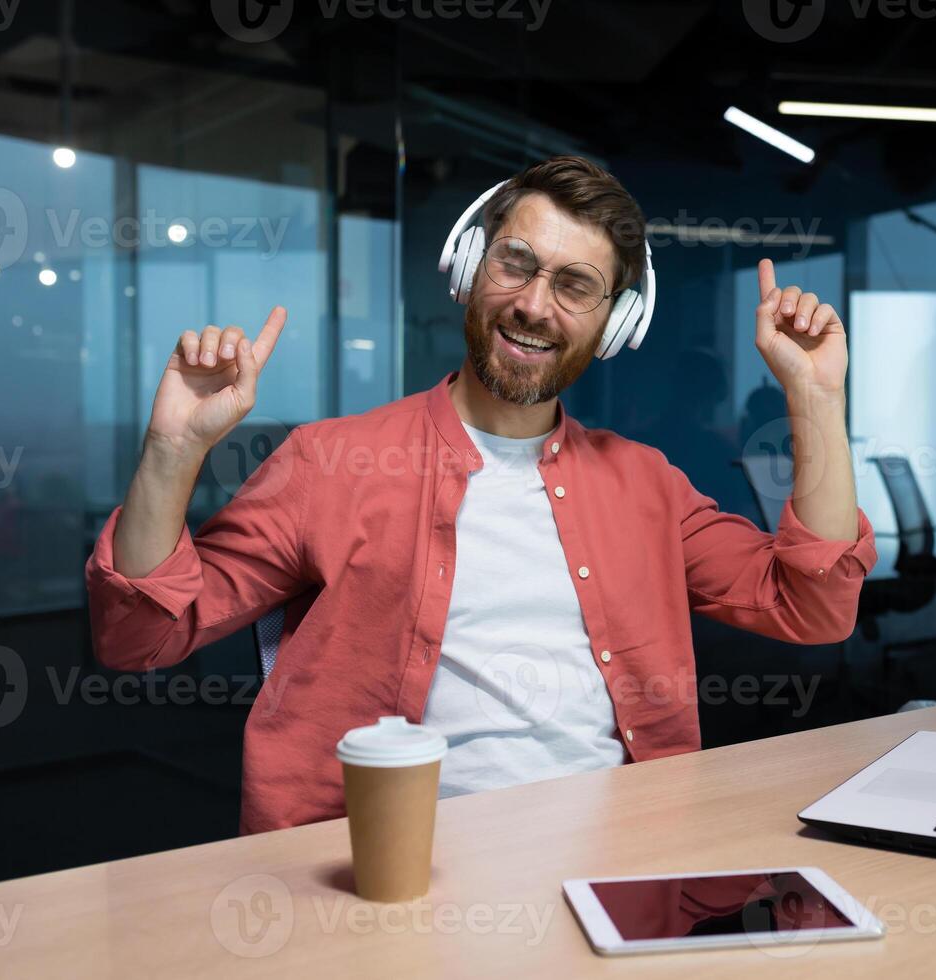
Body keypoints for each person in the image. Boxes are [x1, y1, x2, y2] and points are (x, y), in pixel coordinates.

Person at [85, 155, 876, 834]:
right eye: (516, 263)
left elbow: (813, 607)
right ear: (468, 267)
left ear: (615, 323)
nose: (535, 304)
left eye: (575, 285)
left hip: (618, 863)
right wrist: (172, 451)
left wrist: (813, 399)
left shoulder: (647, 486)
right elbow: (139, 637)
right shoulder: (330, 463)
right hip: (388, 875)